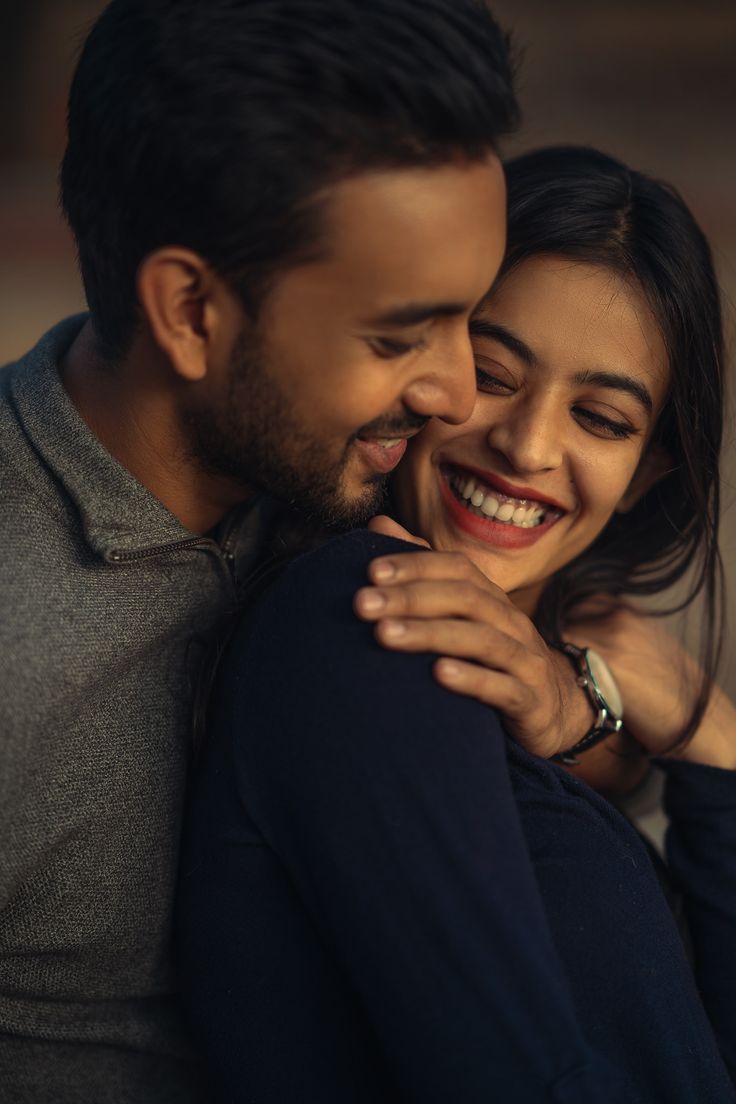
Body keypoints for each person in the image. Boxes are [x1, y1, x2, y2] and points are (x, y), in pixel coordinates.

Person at [0, 2, 520, 1100]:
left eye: (472, 318)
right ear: (190, 311)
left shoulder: (371, 477)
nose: (458, 394)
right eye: (396, 337)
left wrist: (587, 713)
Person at [177, 148, 736, 1102]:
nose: (527, 445)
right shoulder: (375, 621)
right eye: (492, 371)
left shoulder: (555, 697)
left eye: (601, 418)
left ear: (648, 473)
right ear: (418, 367)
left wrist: (701, 734)